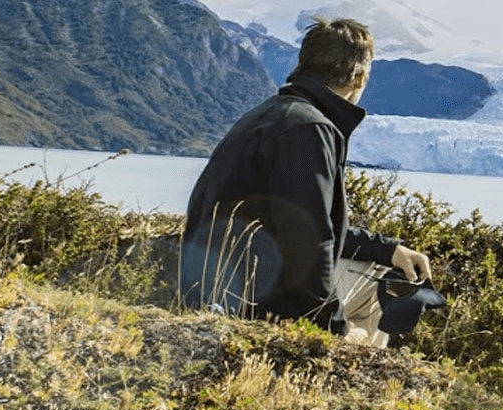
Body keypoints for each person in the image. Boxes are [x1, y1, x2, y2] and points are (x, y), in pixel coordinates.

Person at [179, 17, 433, 340]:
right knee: (386, 288)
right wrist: (337, 331)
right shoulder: (307, 130)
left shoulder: (276, 114)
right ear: (358, 77)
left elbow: (305, 224)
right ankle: (343, 375)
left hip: (226, 287)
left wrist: (389, 250)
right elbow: (310, 249)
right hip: (253, 301)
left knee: (388, 268)